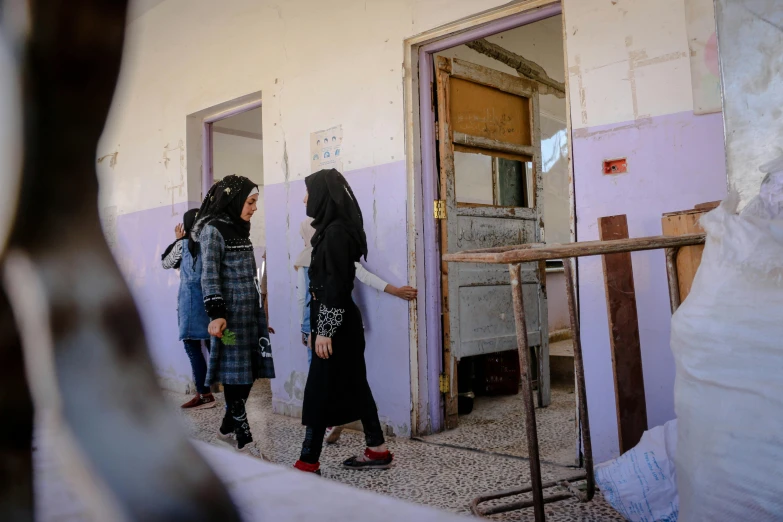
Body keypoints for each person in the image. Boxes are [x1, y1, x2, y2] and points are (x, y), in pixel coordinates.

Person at [293, 169, 393, 475]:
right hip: (336, 320)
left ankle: (308, 460)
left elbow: (335, 286)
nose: (305, 197)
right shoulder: (330, 230)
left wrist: (323, 330)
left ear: (323, 194)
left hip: (334, 322)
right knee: (356, 385)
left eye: (309, 191)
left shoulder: (335, 233)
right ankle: (377, 449)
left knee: (318, 390)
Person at [294, 217, 417, 443]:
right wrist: (395, 291)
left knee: (319, 378)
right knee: (351, 376)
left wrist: (307, 330)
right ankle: (347, 427)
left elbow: (304, 300)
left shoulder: (306, 259)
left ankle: (322, 433)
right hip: (345, 324)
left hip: (317, 325)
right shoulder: (337, 251)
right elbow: (365, 276)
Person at [191, 175, 275, 452]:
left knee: (248, 375)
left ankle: (225, 433)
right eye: (250, 202)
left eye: (255, 202)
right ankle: (244, 440)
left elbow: (249, 275)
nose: (253, 208)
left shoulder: (240, 228)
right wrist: (216, 313)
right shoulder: (213, 231)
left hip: (250, 316)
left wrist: (262, 312)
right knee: (234, 376)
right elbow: (209, 275)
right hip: (229, 321)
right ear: (234, 200)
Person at [161, 208, 215, 409]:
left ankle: (204, 394)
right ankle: (225, 390)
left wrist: (177, 239)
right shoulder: (211, 244)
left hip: (190, 303)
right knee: (214, 344)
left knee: (192, 347)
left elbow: (166, 263)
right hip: (211, 301)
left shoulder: (183, 246)